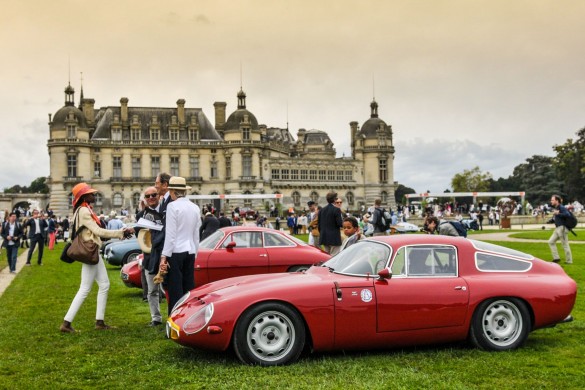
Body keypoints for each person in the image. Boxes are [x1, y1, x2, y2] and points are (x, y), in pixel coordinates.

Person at [61, 183, 132, 333]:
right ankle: (66, 323)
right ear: (84, 196)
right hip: (90, 252)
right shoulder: (85, 211)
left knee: (104, 285)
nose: (94, 195)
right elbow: (98, 231)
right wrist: (120, 232)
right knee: (85, 288)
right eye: (91, 193)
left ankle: (99, 321)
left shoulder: (83, 209)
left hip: (92, 251)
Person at [159, 177, 201, 316]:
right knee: (188, 288)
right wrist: (195, 253)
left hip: (176, 252)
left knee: (175, 289)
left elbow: (170, 236)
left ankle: (174, 319)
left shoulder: (172, 206)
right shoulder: (195, 207)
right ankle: (188, 317)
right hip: (190, 250)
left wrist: (164, 257)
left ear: (172, 192)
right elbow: (196, 234)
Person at [134, 186, 164, 326]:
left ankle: (175, 316)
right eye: (148, 196)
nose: (151, 197)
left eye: (154, 194)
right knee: (152, 290)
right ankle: (156, 318)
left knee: (171, 289)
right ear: (145, 199)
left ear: (159, 196)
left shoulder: (167, 212)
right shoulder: (141, 216)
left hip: (166, 256)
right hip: (149, 257)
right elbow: (140, 237)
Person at [548, 194, 573, 264]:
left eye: (552, 200)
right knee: (551, 241)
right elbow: (558, 217)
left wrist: (558, 213)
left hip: (562, 228)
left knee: (565, 245)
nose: (551, 201)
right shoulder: (557, 208)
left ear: (557, 201)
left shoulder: (561, 207)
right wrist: (552, 220)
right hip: (557, 228)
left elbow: (567, 215)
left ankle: (569, 261)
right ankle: (556, 258)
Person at [317, 191, 343, 255]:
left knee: (327, 256)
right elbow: (339, 223)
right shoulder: (336, 210)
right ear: (334, 199)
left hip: (324, 237)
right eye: (336, 199)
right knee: (334, 256)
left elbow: (319, 225)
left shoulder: (321, 210)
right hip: (334, 237)